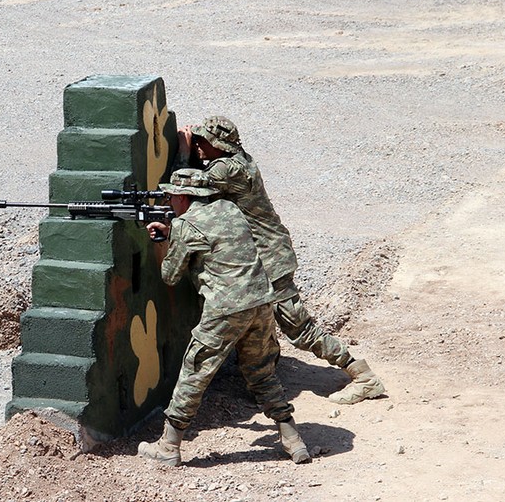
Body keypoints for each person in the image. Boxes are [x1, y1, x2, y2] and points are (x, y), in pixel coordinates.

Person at [180, 116, 385, 405]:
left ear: (218, 145)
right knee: (260, 319)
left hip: (270, 259)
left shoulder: (228, 169)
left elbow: (184, 185)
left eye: (203, 141)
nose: (198, 146)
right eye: (197, 141)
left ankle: (362, 375)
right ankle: (264, 380)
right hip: (265, 255)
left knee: (296, 326)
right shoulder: (234, 162)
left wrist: (182, 150)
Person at [137, 168, 311, 466]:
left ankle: (168, 447)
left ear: (182, 197)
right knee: (261, 371)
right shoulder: (228, 209)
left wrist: (166, 241)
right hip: (260, 301)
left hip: (226, 309)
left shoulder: (187, 225)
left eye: (170, 195)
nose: (169, 200)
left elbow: (170, 276)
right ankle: (293, 439)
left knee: (195, 370)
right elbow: (215, 241)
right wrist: (176, 232)